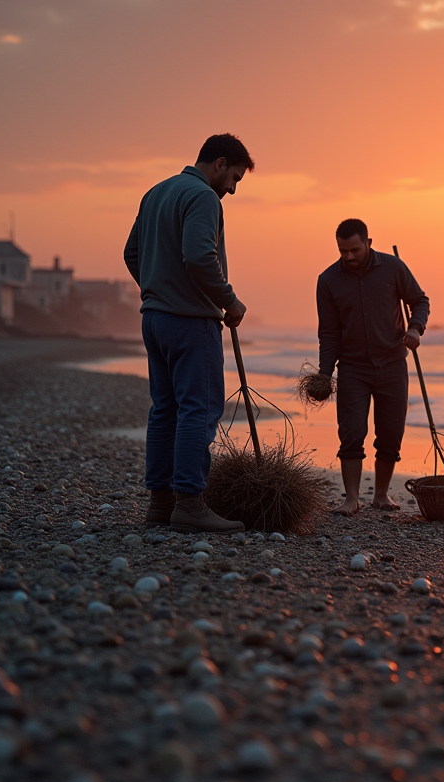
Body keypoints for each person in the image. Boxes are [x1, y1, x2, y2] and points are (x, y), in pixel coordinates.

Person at [124, 133, 253, 533]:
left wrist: (157, 287)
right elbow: (200, 256)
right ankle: (191, 504)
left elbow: (132, 253)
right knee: (199, 408)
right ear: (218, 163)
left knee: (165, 410)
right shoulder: (202, 197)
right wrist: (228, 300)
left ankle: (160, 504)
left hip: (155, 319)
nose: (231, 189)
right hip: (189, 322)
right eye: (233, 177)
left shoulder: (156, 192)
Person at [316, 219, 430, 515]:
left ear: (368, 243)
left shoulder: (394, 268)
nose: (349, 257)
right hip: (353, 368)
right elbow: (328, 332)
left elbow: (420, 301)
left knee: (391, 434)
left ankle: (381, 496)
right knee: (351, 433)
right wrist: (324, 374)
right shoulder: (328, 280)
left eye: (354, 250)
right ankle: (351, 499)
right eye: (343, 251)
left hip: (393, 364)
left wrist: (416, 329)